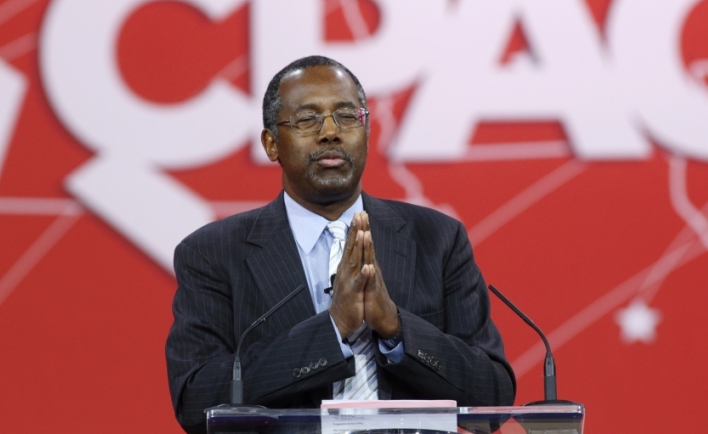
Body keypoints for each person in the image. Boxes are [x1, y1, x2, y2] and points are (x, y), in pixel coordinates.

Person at [166, 55, 516, 434]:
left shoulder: (437, 239)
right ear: (271, 144)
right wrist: (332, 329)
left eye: (347, 117)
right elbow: (197, 399)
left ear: (366, 132)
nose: (330, 132)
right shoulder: (214, 253)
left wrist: (396, 327)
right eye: (307, 119)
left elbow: (492, 395)